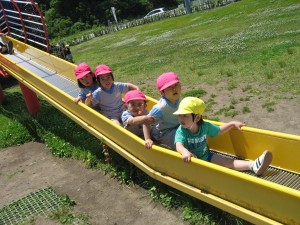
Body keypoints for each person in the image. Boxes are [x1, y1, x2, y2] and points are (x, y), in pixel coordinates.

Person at [173, 97, 273, 176]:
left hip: (206, 156)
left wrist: (232, 123)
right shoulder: (181, 131)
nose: (181, 118)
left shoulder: (205, 126)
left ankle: (253, 165)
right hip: (192, 162)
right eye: (179, 115)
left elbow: (219, 130)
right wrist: (184, 152)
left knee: (227, 162)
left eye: (185, 115)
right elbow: (178, 145)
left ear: (197, 117)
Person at [148, 72, 182, 149]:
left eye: (176, 85)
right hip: (164, 132)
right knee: (183, 139)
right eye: (169, 87)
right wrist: (147, 139)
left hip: (176, 126)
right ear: (162, 93)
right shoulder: (161, 108)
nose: (174, 89)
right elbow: (146, 121)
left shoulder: (179, 98)